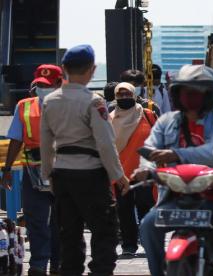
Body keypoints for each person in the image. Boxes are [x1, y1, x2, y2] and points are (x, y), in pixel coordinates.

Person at [133, 64, 213, 276]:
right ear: (177, 94)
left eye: (198, 92)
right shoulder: (166, 122)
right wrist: (144, 169)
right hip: (176, 196)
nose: (192, 97)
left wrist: (177, 155)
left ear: (210, 95)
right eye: (187, 92)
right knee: (147, 226)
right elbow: (149, 148)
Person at [40, 44, 130, 275]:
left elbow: (46, 143)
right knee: (105, 230)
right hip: (90, 173)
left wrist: (48, 174)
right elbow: (105, 143)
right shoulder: (94, 101)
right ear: (92, 69)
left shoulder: (50, 101)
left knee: (69, 234)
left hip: (62, 174)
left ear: (63, 69)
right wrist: (119, 176)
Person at [1, 64, 62, 276]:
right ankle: (38, 263)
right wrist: (7, 169)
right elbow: (16, 140)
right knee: (35, 220)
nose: (42, 89)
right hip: (33, 172)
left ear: (58, 83)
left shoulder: (69, 105)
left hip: (65, 171)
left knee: (61, 220)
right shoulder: (24, 106)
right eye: (39, 85)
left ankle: (58, 262)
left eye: (47, 85)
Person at [109, 82, 156, 257]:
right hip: (121, 172)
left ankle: (148, 241)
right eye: (120, 95)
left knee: (146, 206)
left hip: (144, 170)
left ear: (134, 95)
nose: (124, 98)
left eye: (127, 94)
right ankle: (129, 245)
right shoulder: (110, 118)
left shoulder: (148, 115)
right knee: (124, 209)